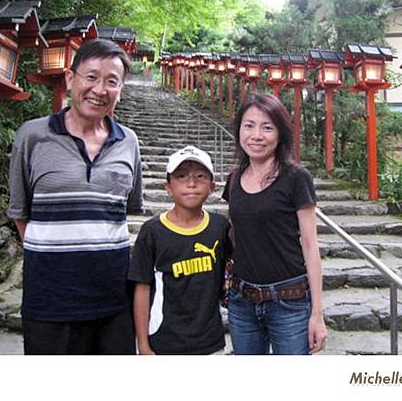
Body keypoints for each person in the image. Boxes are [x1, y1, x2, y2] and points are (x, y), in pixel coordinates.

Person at [7, 38, 143, 355]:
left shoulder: (129, 142)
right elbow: (19, 212)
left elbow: (125, 212)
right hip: (49, 301)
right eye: (91, 76)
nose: (100, 89)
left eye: (112, 81)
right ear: (71, 79)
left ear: (121, 89)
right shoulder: (33, 135)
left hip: (113, 301)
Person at [222, 92, 327, 355]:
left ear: (280, 134)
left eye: (267, 127)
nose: (256, 135)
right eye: (249, 126)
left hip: (289, 301)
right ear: (239, 130)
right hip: (242, 302)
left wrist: (317, 313)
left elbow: (310, 245)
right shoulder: (234, 179)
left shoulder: (296, 177)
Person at [128, 145, 231, 355]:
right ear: (168, 186)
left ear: (212, 186)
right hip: (165, 342)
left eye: (200, 176)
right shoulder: (153, 231)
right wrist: (143, 344)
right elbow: (142, 287)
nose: (191, 183)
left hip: (210, 342)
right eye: (181, 176)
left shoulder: (220, 228)